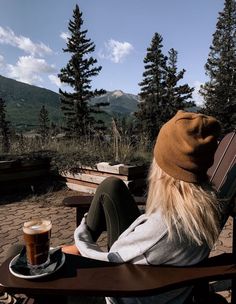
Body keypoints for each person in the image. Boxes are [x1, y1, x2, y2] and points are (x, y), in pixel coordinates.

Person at [62, 110, 229, 304]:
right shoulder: (203, 204)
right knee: (111, 186)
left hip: (121, 292)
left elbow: (106, 261)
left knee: (22, 255)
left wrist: (80, 242)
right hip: (147, 271)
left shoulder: (163, 229)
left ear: (165, 165)